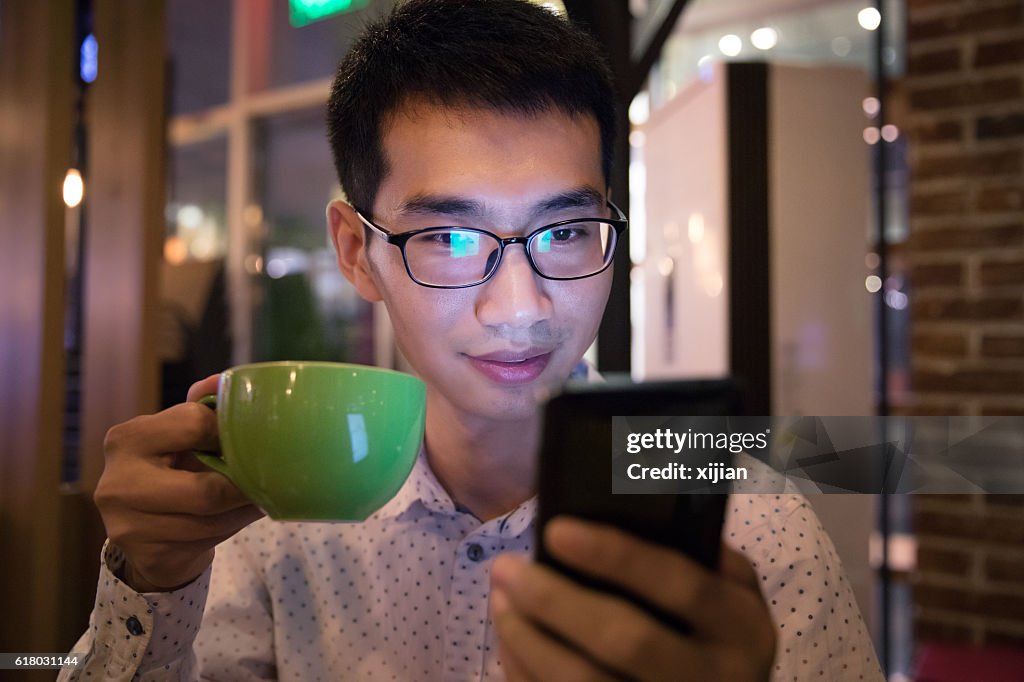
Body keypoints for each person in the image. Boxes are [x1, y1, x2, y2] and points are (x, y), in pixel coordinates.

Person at [63, 1, 882, 680]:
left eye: (564, 231)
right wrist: (151, 578)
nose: (519, 308)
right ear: (357, 252)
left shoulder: (745, 519)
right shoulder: (278, 513)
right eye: (451, 240)